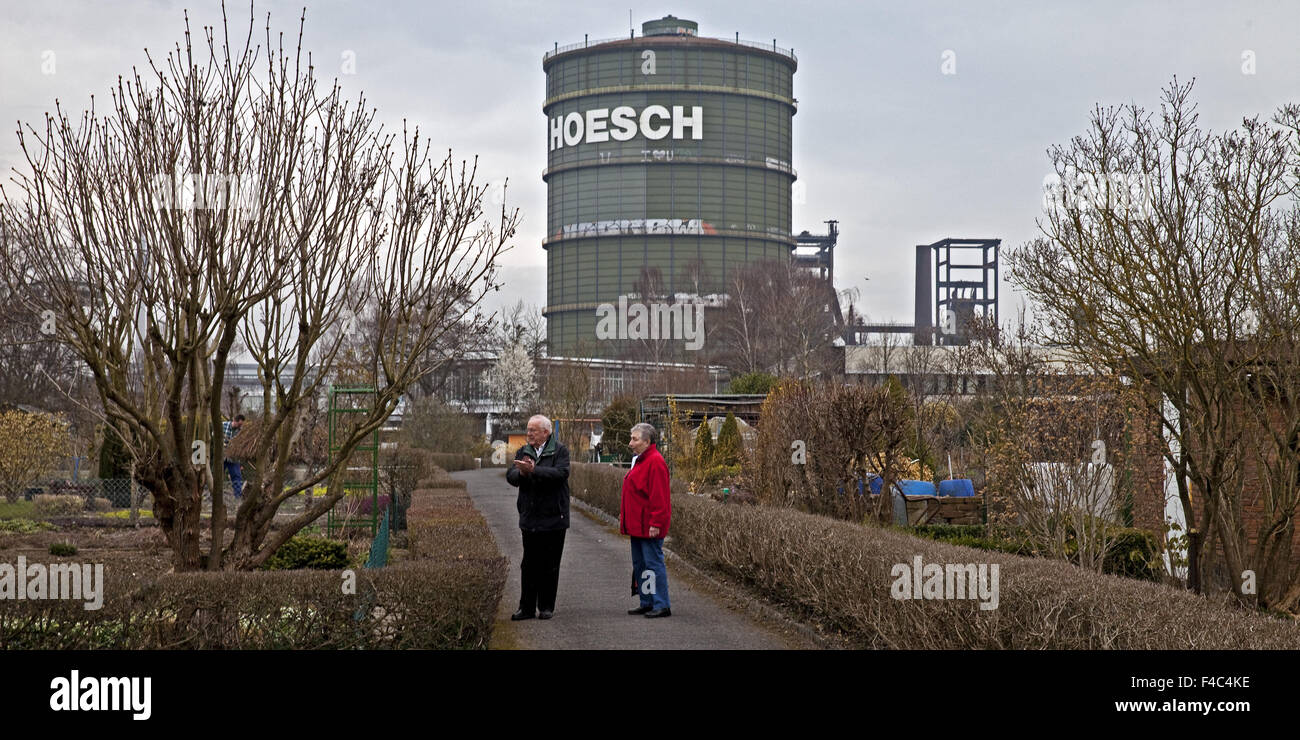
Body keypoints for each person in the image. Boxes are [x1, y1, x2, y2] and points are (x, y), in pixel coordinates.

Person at [505, 414, 570, 621]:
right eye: (528, 429)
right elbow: (511, 476)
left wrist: (534, 470)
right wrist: (522, 474)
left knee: (550, 564)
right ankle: (526, 608)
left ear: (545, 432)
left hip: (554, 517)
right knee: (529, 564)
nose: (529, 433)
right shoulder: (522, 451)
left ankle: (546, 606)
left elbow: (561, 474)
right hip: (530, 516)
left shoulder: (560, 451)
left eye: (533, 430)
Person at [620, 422, 672, 618]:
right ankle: (647, 600)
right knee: (641, 565)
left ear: (647, 441)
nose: (630, 443)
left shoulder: (655, 462)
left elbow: (659, 497)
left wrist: (656, 524)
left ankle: (661, 603)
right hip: (637, 525)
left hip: (648, 525)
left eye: (635, 439)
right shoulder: (641, 460)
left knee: (653, 563)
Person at [222, 414, 245, 500]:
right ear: (234, 421)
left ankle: (238, 498)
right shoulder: (223, 425)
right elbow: (214, 435)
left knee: (237, 478)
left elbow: (241, 448)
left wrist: (241, 463)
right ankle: (215, 497)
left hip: (234, 459)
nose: (240, 426)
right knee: (218, 477)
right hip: (222, 458)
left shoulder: (241, 432)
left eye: (241, 425)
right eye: (239, 424)